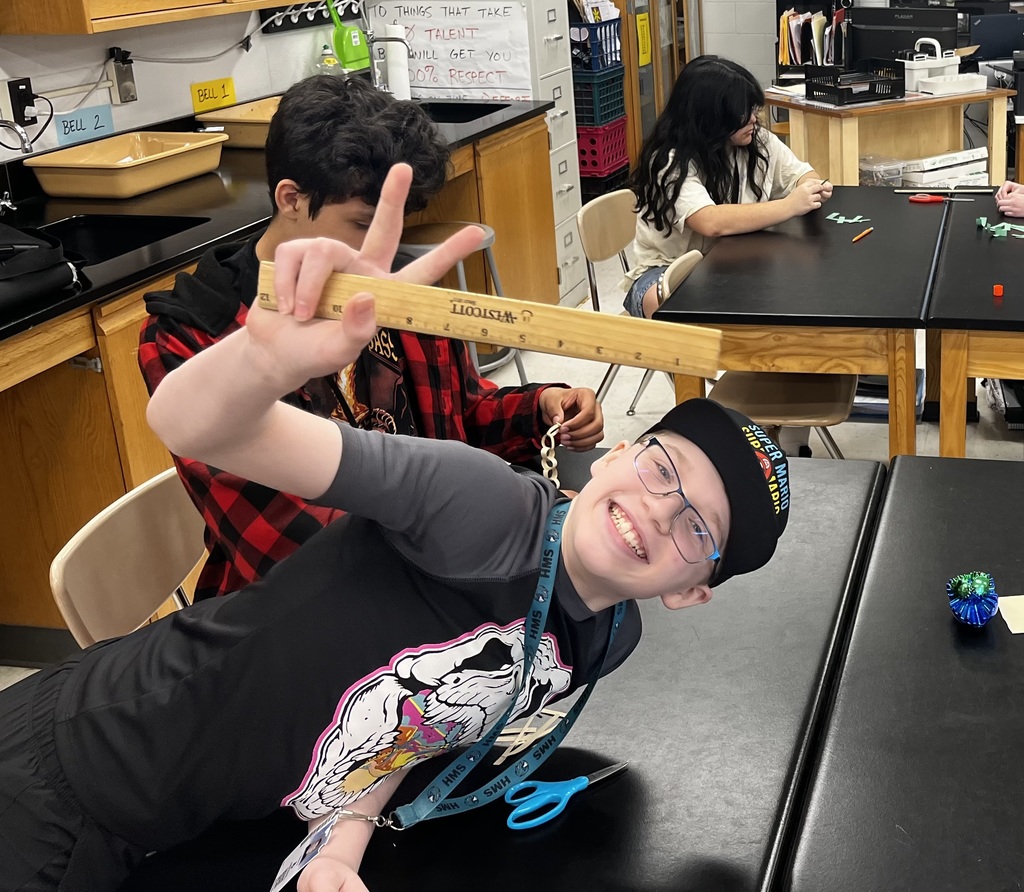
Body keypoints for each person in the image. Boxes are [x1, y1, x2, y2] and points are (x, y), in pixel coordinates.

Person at [0, 165, 791, 892]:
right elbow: (189, 424)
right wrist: (266, 365)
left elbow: (417, 722)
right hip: (74, 775)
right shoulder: (480, 502)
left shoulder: (607, 637)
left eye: (696, 525)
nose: (661, 506)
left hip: (198, 835)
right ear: (622, 448)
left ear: (691, 592)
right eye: (662, 467)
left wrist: (340, 844)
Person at [138, 74, 603, 601]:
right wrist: (501, 526)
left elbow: (461, 417)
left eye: (394, 222)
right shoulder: (192, 336)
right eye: (362, 222)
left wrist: (539, 408)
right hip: (298, 618)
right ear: (291, 199)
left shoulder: (394, 296)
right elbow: (288, 541)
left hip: (437, 581)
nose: (380, 247)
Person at [622, 55, 832, 321]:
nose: (755, 119)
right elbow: (710, 222)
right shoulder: (669, 161)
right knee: (686, 314)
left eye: (753, 110)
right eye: (744, 113)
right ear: (712, 118)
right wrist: (790, 205)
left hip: (728, 262)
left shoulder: (755, 141)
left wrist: (813, 187)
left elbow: (803, 175)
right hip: (665, 271)